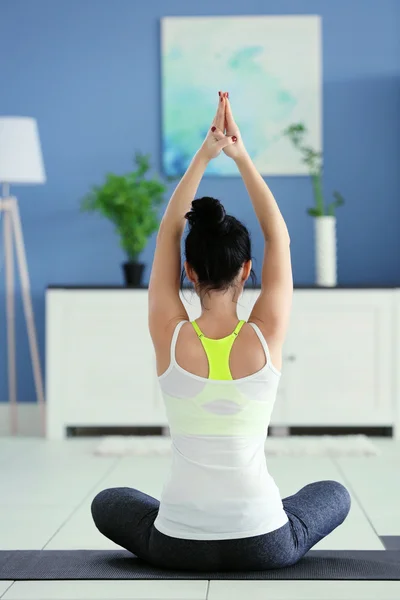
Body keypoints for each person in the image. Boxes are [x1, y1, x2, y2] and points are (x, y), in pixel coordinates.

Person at [91, 92, 351, 572]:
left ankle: (188, 523)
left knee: (108, 501)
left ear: (188, 271)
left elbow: (170, 229)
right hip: (264, 542)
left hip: (177, 545)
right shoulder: (264, 336)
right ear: (247, 268)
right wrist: (239, 153)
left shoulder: (169, 334)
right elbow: (280, 236)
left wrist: (205, 154)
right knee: (332, 494)